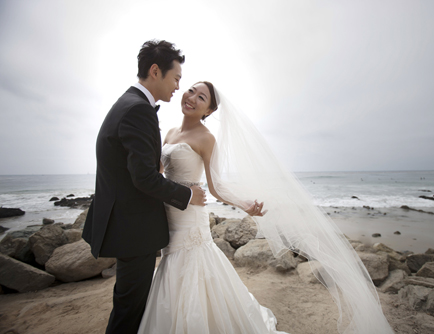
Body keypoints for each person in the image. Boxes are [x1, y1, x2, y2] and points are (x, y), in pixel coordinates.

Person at [138, 81, 394, 333]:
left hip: (190, 218)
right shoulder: (169, 133)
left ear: (209, 112)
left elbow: (215, 187)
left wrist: (244, 204)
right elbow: (159, 174)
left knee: (192, 267)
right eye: (191, 90)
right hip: (168, 214)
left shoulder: (207, 138)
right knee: (171, 268)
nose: (192, 97)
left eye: (201, 98)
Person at [82, 40, 206, 334]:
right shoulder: (138, 110)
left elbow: (134, 168)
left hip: (126, 223)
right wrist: (188, 194)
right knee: (129, 311)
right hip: (132, 229)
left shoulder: (128, 104)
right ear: (155, 71)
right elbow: (144, 179)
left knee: (130, 304)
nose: (178, 86)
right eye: (176, 78)